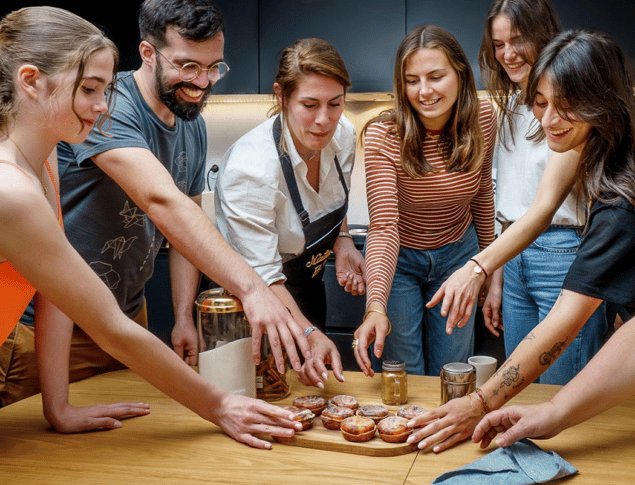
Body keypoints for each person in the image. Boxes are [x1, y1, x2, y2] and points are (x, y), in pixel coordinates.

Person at [408, 29, 635, 452]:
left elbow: (566, 320)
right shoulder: (622, 134)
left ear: (600, 102)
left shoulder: (624, 199)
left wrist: (480, 402)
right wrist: (479, 266)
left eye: (567, 106)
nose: (549, 119)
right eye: (541, 102)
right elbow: (540, 211)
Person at [0, 5, 301, 447]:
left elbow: (57, 293)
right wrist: (218, 404)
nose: (103, 106)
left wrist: (58, 408)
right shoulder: (14, 191)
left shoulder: (44, 161)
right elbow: (108, 323)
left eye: (105, 89)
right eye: (89, 89)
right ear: (30, 81)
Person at [432, 0, 607, 383]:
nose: (508, 54)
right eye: (498, 44)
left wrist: (480, 267)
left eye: (518, 40)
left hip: (562, 254)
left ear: (544, 36)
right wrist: (498, 278)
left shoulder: (572, 103)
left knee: (561, 390)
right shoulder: (509, 105)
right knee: (519, 386)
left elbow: (544, 207)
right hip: (514, 260)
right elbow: (506, 200)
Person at [215, 38, 364, 387]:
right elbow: (264, 278)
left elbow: (331, 198)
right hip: (253, 300)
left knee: (313, 392)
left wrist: (342, 241)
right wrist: (308, 332)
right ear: (281, 96)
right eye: (309, 105)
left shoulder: (342, 135)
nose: (324, 120)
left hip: (308, 288)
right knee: (270, 391)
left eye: (335, 103)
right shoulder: (252, 170)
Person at [352, 25, 497, 377]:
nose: (424, 91)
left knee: (453, 370)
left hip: (459, 257)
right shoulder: (383, 135)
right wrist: (375, 306)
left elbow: (482, 193)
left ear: (460, 74)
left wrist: (488, 266)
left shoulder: (483, 118)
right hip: (401, 262)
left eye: (436, 76)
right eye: (412, 80)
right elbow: (384, 227)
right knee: (405, 371)